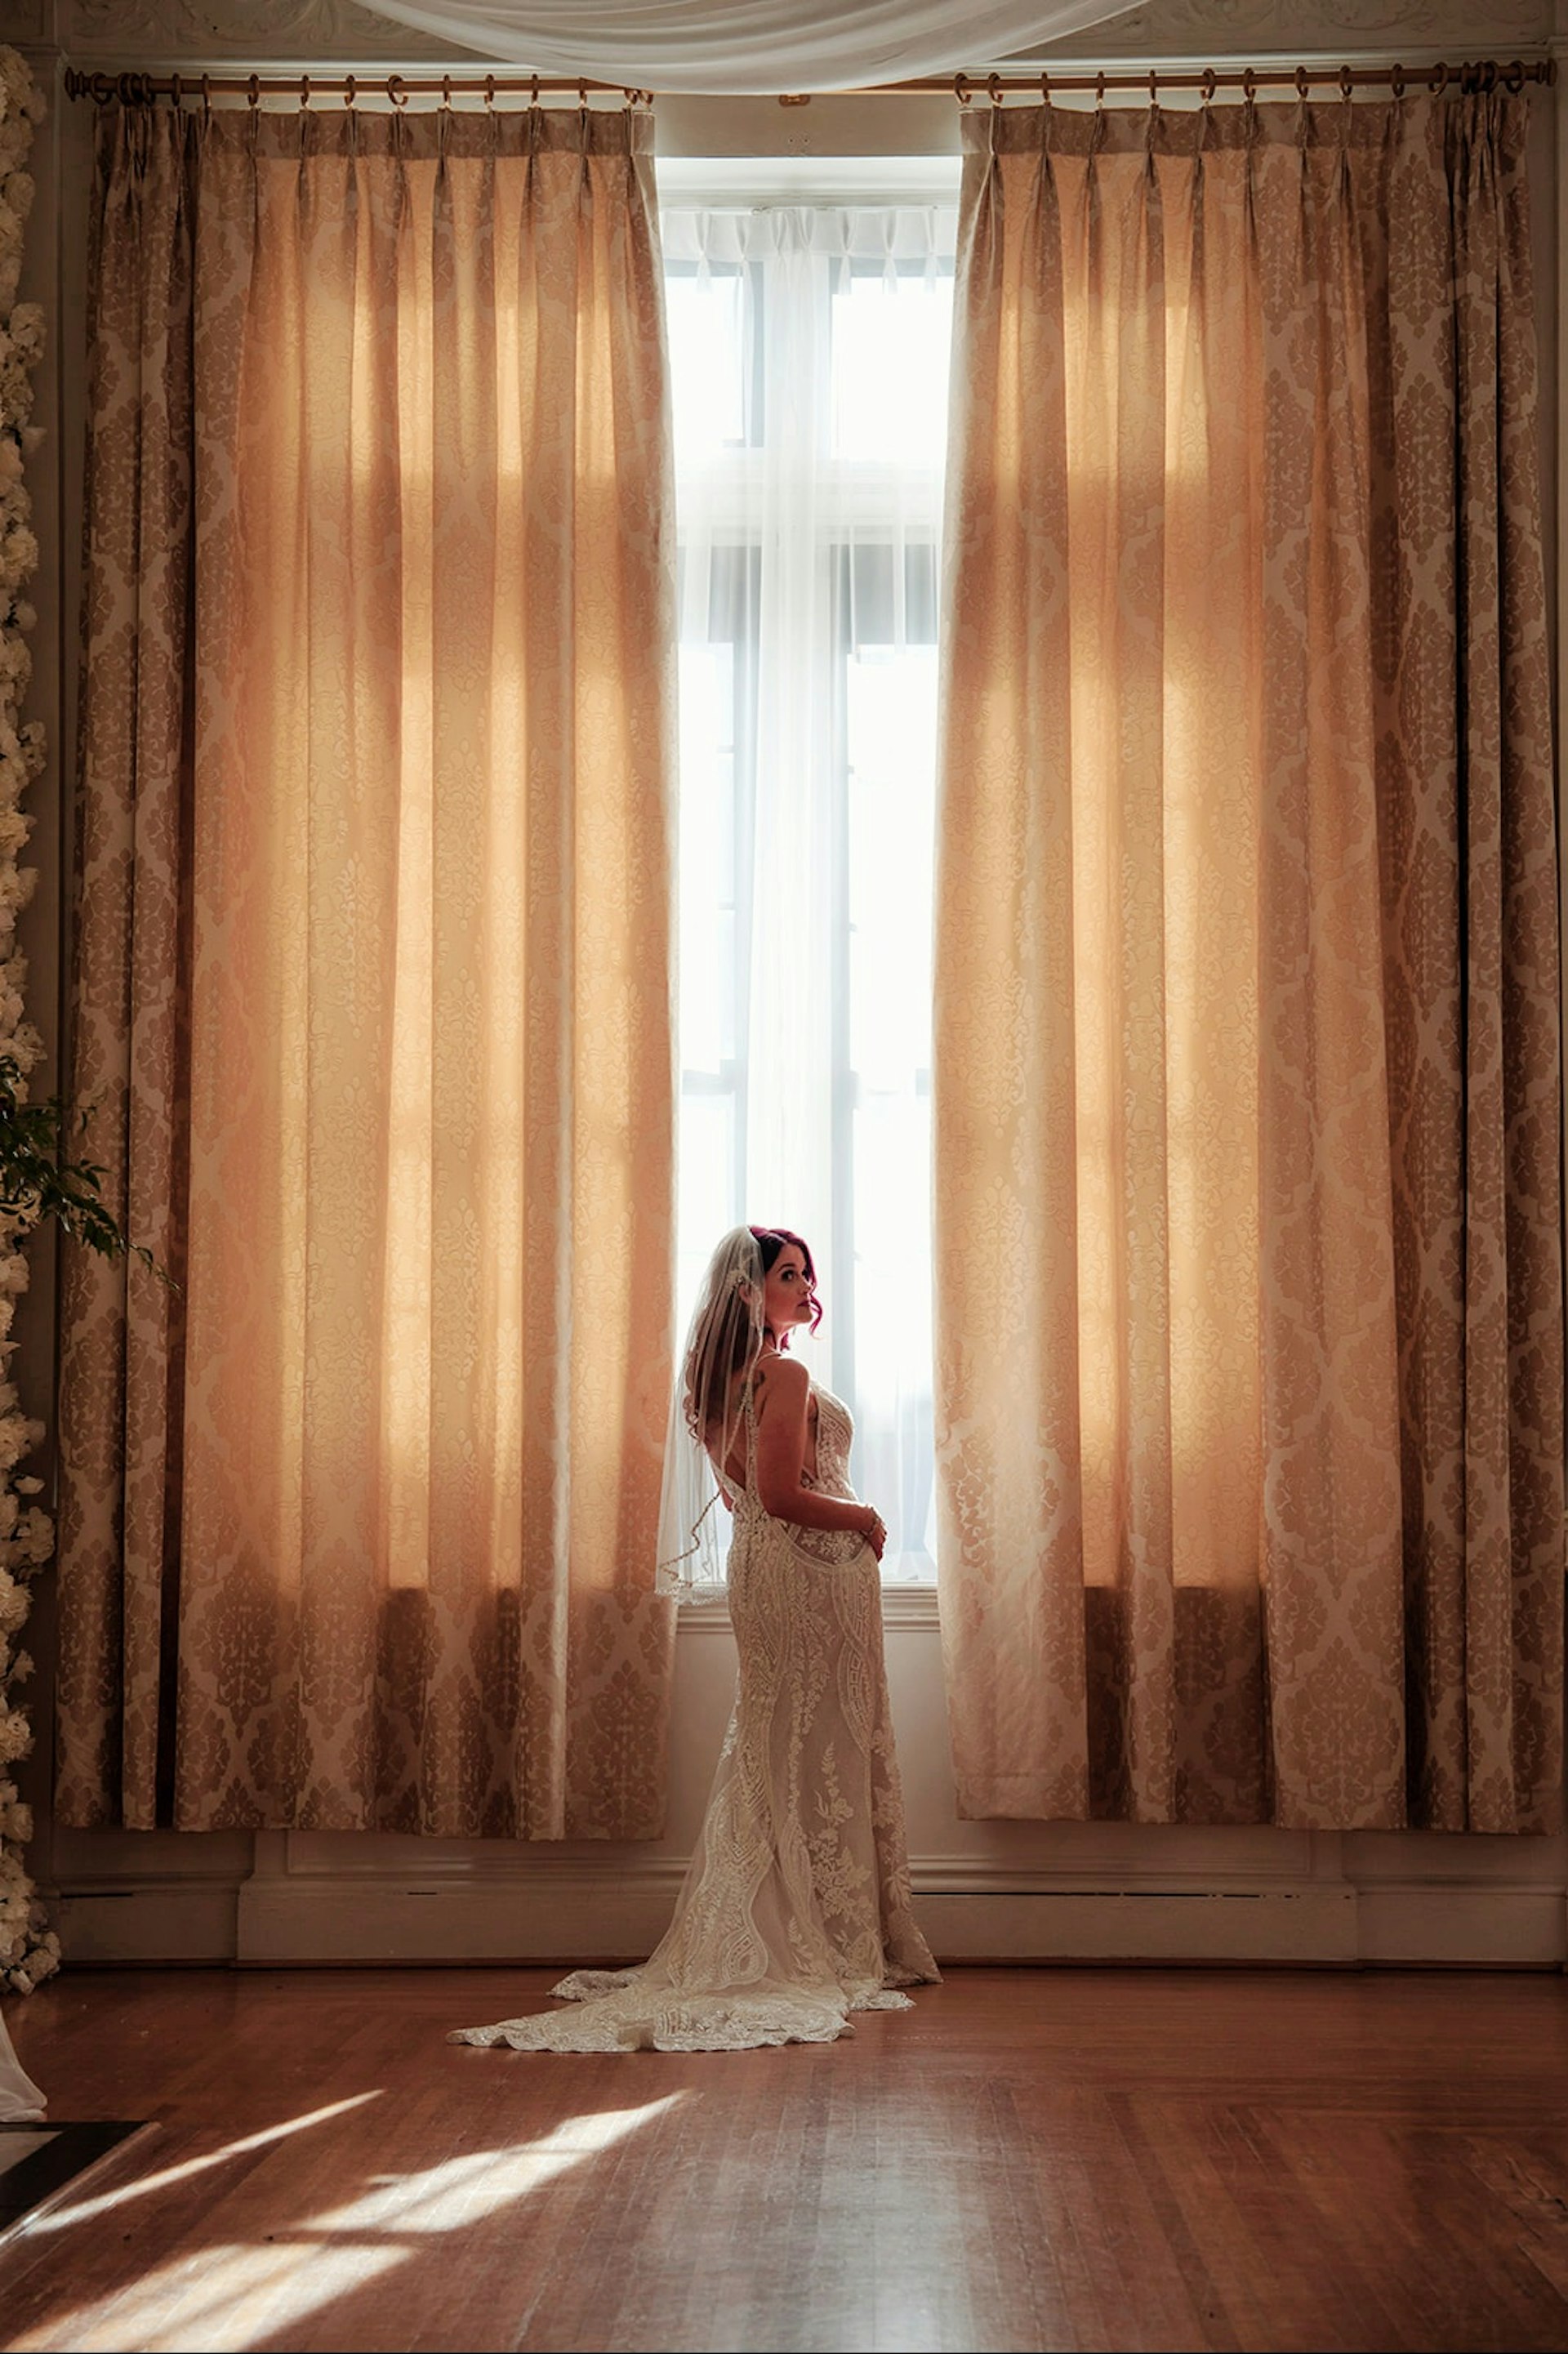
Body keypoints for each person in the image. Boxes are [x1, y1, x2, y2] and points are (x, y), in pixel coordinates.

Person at [451, 1223, 938, 2053]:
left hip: (771, 1573)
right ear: (752, 1288)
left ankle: (811, 1922)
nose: (807, 1283)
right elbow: (781, 1492)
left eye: (809, 1271)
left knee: (778, 1747)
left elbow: (752, 1492)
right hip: (805, 1574)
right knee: (813, 1745)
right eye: (790, 1272)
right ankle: (827, 1935)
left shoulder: (715, 1380)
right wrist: (866, 1515)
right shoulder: (781, 1371)